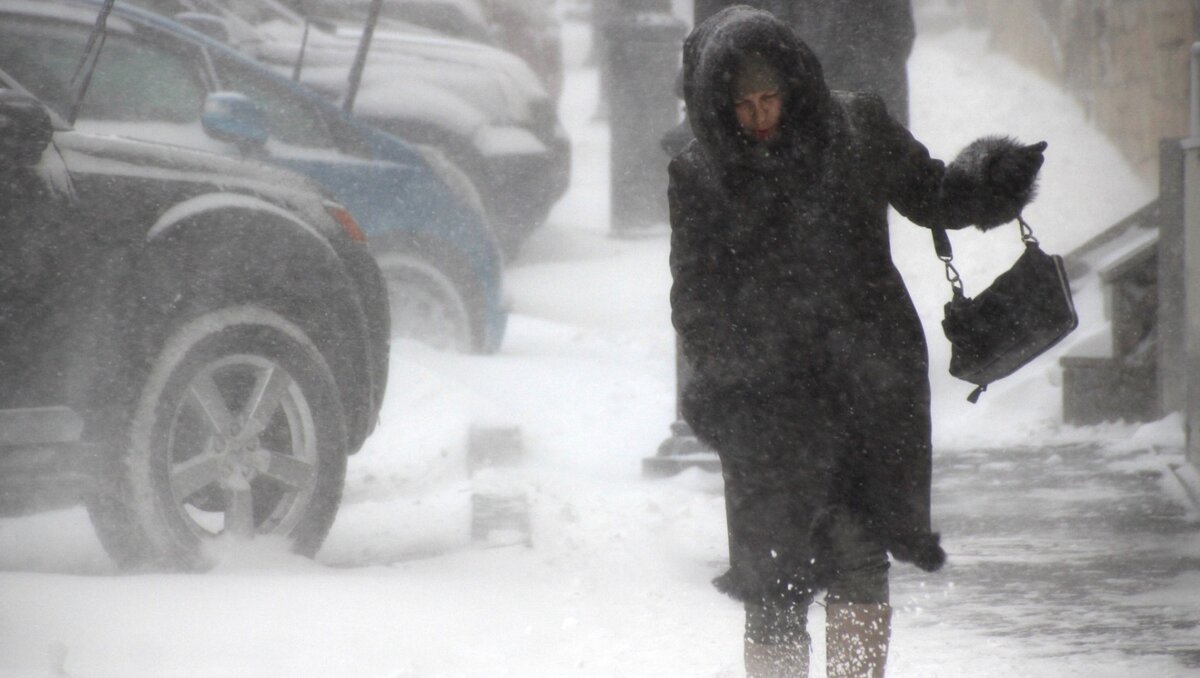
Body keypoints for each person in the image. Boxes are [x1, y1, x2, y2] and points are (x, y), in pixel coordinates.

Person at [667, 7, 1046, 677]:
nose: (760, 116)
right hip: (768, 404)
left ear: (793, 85)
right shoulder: (702, 172)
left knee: (859, 562)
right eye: (744, 105)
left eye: (770, 98)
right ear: (719, 105)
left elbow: (933, 193)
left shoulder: (856, 128)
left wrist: (992, 181)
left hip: (865, 385)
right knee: (773, 582)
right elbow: (695, 295)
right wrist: (731, 377)